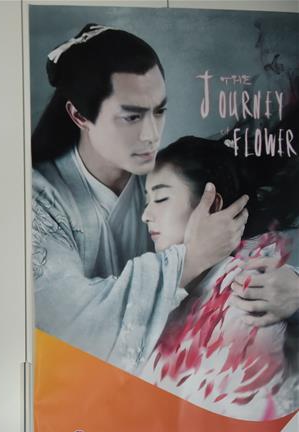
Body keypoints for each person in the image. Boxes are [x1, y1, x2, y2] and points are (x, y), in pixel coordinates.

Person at [31, 24, 299, 373]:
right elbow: (76, 327)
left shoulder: (161, 176)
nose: (151, 134)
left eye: (158, 111)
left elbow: (235, 239)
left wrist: (292, 286)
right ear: (80, 116)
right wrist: (188, 259)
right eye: (131, 116)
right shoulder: (41, 200)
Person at [139, 135, 299, 420]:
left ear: (212, 204)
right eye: (148, 200)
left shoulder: (247, 290)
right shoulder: (167, 285)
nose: (145, 215)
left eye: (161, 198)